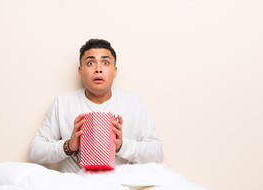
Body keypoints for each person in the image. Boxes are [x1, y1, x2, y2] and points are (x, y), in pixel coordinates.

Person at [28, 39, 163, 173]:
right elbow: (34, 152)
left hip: (119, 187)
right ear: (80, 71)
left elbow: (157, 153)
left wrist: (121, 146)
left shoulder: (134, 102)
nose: (98, 69)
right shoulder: (63, 103)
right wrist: (68, 146)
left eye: (105, 62)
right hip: (75, 188)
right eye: (90, 63)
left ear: (115, 71)